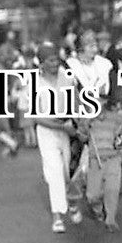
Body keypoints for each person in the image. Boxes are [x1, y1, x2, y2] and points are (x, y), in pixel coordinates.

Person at [31, 43, 81, 232]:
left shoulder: (66, 76)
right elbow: (37, 116)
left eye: (56, 59)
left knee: (67, 172)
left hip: (66, 128)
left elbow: (75, 99)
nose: (55, 64)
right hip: (47, 131)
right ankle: (57, 216)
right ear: (41, 63)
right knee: (55, 172)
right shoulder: (35, 82)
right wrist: (61, 126)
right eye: (50, 60)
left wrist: (77, 122)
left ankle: (73, 202)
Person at [86, 81, 122, 232]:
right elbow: (83, 129)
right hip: (95, 157)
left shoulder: (121, 117)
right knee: (93, 194)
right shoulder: (94, 113)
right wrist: (87, 121)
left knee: (112, 189)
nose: (119, 107)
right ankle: (97, 207)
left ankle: (110, 218)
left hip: (114, 157)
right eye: (117, 103)